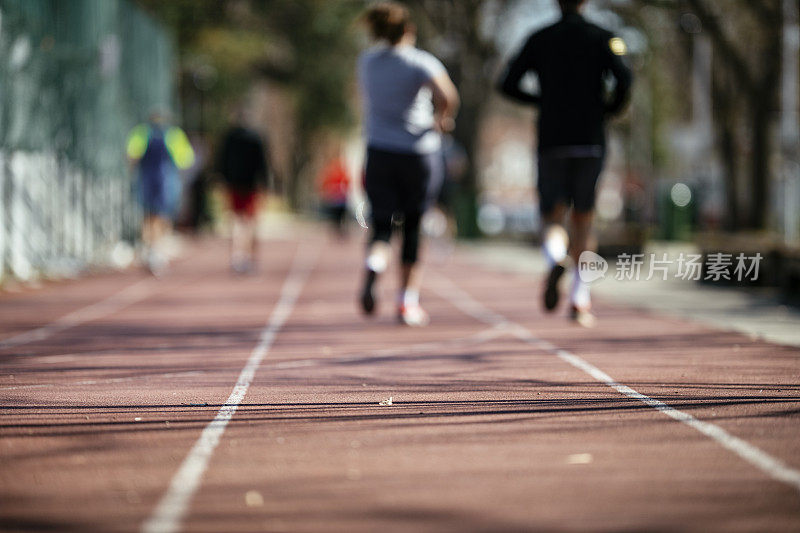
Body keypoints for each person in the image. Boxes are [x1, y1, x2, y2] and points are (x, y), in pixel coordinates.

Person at [497, 0, 632, 327]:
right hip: (590, 139)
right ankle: (579, 298)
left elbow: (506, 83)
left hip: (553, 139)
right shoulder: (603, 36)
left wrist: (541, 101)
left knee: (551, 215)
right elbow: (625, 79)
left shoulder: (538, 37)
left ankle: (555, 258)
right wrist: (608, 110)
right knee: (584, 218)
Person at [357, 1, 459, 326]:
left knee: (382, 225)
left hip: (379, 152)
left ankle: (375, 261)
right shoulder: (420, 61)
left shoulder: (367, 62)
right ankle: (406, 302)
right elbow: (448, 95)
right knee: (414, 226)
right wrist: (442, 119)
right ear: (408, 31)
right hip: (418, 153)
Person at [127, 111, 195, 276]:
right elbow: (186, 160)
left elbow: (131, 157)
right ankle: (157, 252)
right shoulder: (174, 134)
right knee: (162, 216)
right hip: (166, 181)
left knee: (149, 216)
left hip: (147, 180)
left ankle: (151, 250)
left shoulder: (141, 133)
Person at [216, 111, 269, 274]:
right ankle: (250, 258)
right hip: (251, 185)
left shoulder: (229, 138)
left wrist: (223, 180)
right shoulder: (256, 137)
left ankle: (237, 257)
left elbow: (222, 161)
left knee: (236, 221)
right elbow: (263, 163)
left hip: (234, 184)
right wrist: (265, 183)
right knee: (251, 221)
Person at [318, 149, 351, 239]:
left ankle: (340, 230)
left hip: (340, 199)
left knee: (339, 217)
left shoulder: (339, 170)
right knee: (336, 217)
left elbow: (347, 181)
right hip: (335, 199)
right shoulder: (332, 170)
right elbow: (325, 182)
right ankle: (337, 230)